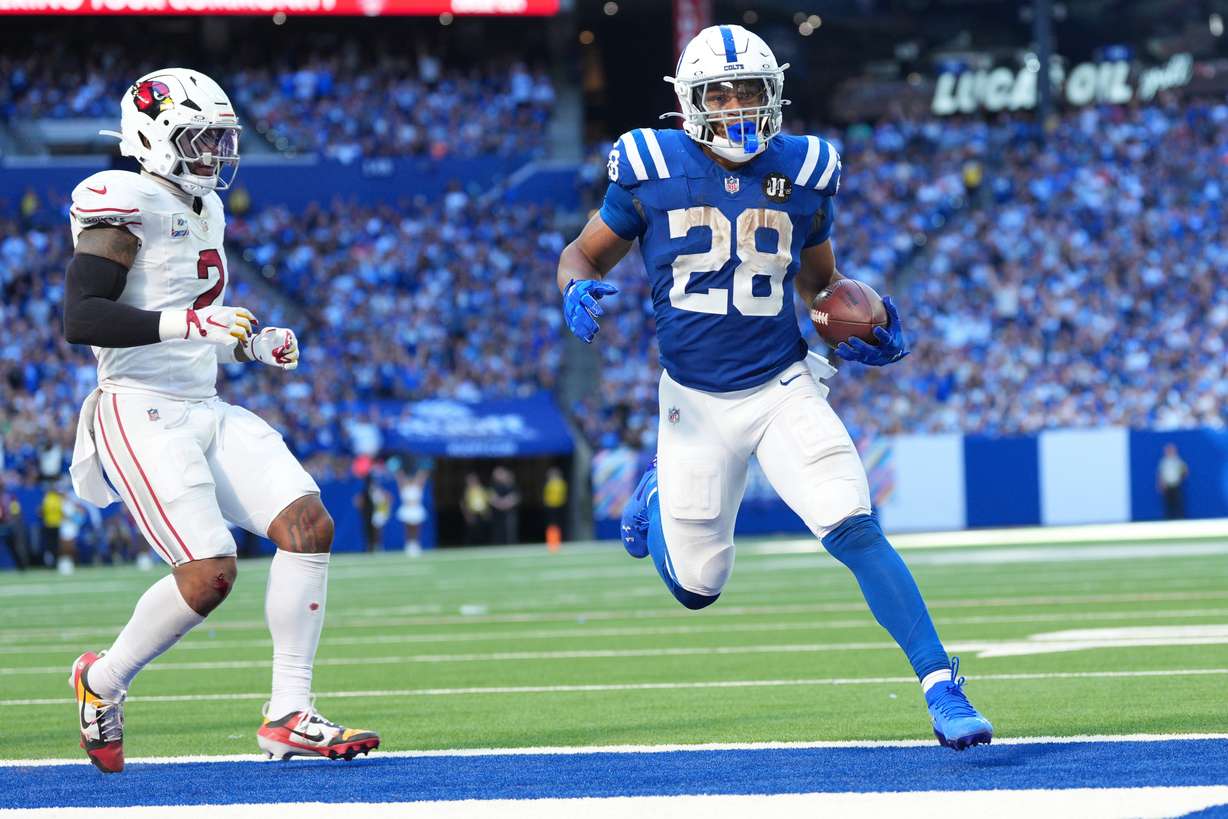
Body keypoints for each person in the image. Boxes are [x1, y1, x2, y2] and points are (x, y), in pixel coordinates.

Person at [555, 25, 992, 751]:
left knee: (851, 520)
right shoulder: (647, 164)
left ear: (775, 95)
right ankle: (661, 490)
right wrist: (575, 287)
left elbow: (823, 282)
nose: (735, 109)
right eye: (719, 94)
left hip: (780, 383)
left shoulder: (807, 168)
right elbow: (583, 252)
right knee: (698, 586)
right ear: (689, 103)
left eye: (749, 92)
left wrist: (870, 322)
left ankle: (940, 684)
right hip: (691, 401)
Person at [62, 69, 379, 774]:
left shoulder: (204, 207)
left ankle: (289, 712)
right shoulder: (122, 200)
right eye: (199, 138)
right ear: (151, 136)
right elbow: (82, 316)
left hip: (203, 402)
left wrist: (249, 341)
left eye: (220, 140)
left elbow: (193, 309)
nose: (213, 154)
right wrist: (193, 323)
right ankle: (101, 680)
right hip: (137, 407)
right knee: (209, 573)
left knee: (308, 523)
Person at [396, 467, 428, 557]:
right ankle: (408, 545)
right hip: (407, 510)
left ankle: (416, 545)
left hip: (416, 510)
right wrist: (399, 472)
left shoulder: (417, 487)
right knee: (408, 529)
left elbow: (422, 477)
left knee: (416, 529)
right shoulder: (404, 488)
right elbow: (399, 478)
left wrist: (422, 467)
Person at [488, 465, 521, 545]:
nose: (499, 476)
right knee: (498, 532)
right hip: (497, 514)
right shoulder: (493, 486)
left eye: (501, 473)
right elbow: (491, 498)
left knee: (511, 531)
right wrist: (501, 504)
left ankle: (511, 545)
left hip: (509, 513)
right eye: (496, 474)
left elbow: (516, 497)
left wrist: (505, 503)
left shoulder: (511, 485)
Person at [1157, 443, 1189, 520]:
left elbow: (1185, 470)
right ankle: (1169, 519)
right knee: (1168, 504)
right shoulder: (1164, 461)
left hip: (1176, 485)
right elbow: (1160, 474)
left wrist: (1181, 478)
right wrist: (1160, 484)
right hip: (1167, 485)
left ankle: (1181, 518)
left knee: (1178, 503)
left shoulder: (1177, 460)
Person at [460, 472, 491, 546]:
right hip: (472, 514)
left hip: (482, 513)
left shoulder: (482, 489)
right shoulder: (467, 491)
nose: (471, 481)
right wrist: (467, 515)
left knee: (483, 531)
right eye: (469, 480)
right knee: (472, 532)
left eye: (472, 479)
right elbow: (463, 504)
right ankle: (470, 546)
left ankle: (483, 545)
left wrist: (488, 513)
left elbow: (487, 501)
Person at [543, 466, 567, 550]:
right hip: (550, 506)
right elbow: (546, 495)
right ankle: (551, 542)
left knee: (558, 524)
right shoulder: (549, 483)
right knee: (551, 525)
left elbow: (561, 495)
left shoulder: (560, 483)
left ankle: (557, 541)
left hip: (558, 506)